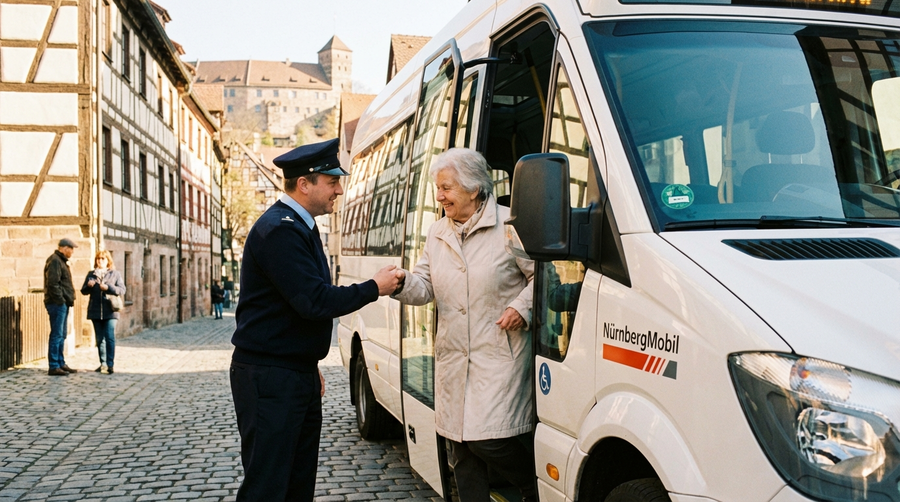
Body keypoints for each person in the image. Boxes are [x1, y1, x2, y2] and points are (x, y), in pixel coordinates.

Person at [229, 137, 403, 502]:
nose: (339, 189)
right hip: (271, 377)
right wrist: (375, 286)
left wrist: (308, 361)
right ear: (304, 184)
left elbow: (293, 306)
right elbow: (313, 300)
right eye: (332, 181)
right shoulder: (280, 230)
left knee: (296, 482)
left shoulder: (299, 225)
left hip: (291, 372)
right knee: (268, 486)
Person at [391, 148, 536, 502]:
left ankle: (534, 487)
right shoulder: (438, 231)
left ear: (474, 189)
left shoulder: (510, 225)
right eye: (437, 189)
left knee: (489, 439)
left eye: (446, 188)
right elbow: (424, 286)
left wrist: (522, 306)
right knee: (460, 449)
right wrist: (400, 283)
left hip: (498, 351)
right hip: (454, 354)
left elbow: (543, 276)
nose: (439, 197)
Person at [80, 250, 125, 374]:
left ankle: (110, 364)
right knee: (100, 339)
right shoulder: (91, 274)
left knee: (109, 336)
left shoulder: (115, 274)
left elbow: (122, 290)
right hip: (95, 311)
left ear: (108, 261)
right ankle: (103, 364)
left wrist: (108, 288)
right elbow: (83, 291)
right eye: (98, 259)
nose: (100, 261)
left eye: (103, 259)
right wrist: (88, 286)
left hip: (111, 311)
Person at [44, 238, 78, 376]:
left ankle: (60, 362)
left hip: (62, 303)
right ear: (65, 248)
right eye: (71, 249)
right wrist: (61, 300)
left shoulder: (60, 261)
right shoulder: (55, 261)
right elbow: (53, 283)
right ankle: (54, 365)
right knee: (57, 334)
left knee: (62, 334)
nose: (72, 252)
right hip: (57, 303)